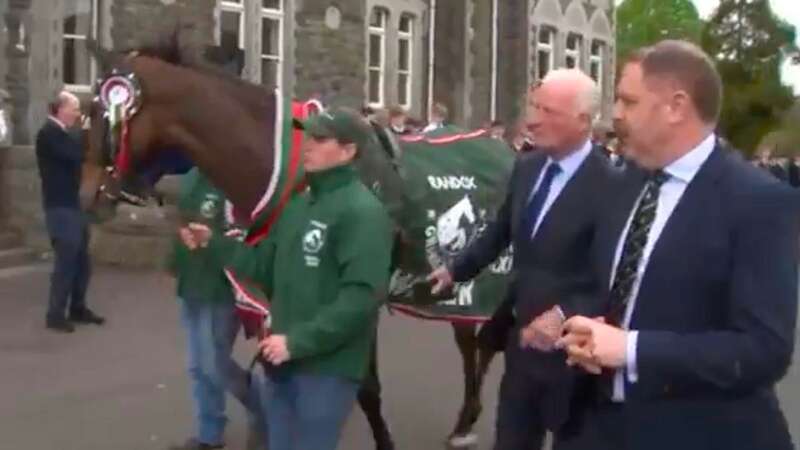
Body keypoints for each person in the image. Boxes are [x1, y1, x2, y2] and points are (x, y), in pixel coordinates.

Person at [557, 40, 799, 450]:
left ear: (676, 106)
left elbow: (763, 350)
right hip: (594, 426)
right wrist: (577, 322)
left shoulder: (759, 202)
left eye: (629, 101)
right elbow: (606, 281)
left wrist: (632, 349)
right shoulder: (625, 181)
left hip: (699, 433)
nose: (615, 114)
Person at [182, 108, 394, 450]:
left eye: (319, 139)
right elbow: (264, 265)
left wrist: (298, 342)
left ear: (349, 150)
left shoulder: (362, 212)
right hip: (282, 363)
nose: (307, 146)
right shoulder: (299, 204)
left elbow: (362, 297)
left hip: (327, 370)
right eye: (306, 137)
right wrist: (213, 244)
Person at [428, 69, 617, 450]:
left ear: (583, 121)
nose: (532, 119)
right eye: (534, 106)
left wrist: (564, 314)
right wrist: (456, 269)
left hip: (577, 358)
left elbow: (612, 274)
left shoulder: (613, 185)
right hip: (523, 344)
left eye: (548, 111)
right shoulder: (528, 167)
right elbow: (501, 230)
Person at [168, 168, 264, 450]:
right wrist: (174, 260)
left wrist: (211, 239)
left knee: (213, 365)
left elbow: (246, 240)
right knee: (199, 366)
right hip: (192, 284)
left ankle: (263, 406)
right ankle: (210, 434)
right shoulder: (192, 176)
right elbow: (183, 219)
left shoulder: (236, 181)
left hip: (219, 287)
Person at [36, 91, 104, 333]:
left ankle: (77, 306)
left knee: (82, 259)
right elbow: (73, 156)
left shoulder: (65, 134)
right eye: (74, 108)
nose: (78, 113)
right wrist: (86, 133)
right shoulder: (48, 133)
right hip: (59, 205)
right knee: (66, 259)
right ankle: (55, 314)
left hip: (74, 204)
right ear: (60, 109)